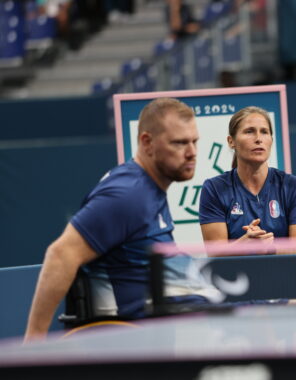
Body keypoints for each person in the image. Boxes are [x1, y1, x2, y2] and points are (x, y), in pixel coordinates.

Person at [25, 98, 200, 341]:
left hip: (190, 321)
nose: (192, 153)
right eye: (180, 143)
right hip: (151, 339)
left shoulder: (150, 189)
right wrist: (34, 342)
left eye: (194, 141)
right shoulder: (129, 195)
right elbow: (60, 254)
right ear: (147, 142)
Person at [199, 106, 296, 245]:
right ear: (231, 141)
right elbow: (215, 255)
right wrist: (244, 245)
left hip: (283, 267)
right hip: (236, 268)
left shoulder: (294, 186)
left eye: (264, 132)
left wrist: (270, 248)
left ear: (271, 140)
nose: (258, 139)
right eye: (249, 131)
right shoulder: (214, 188)